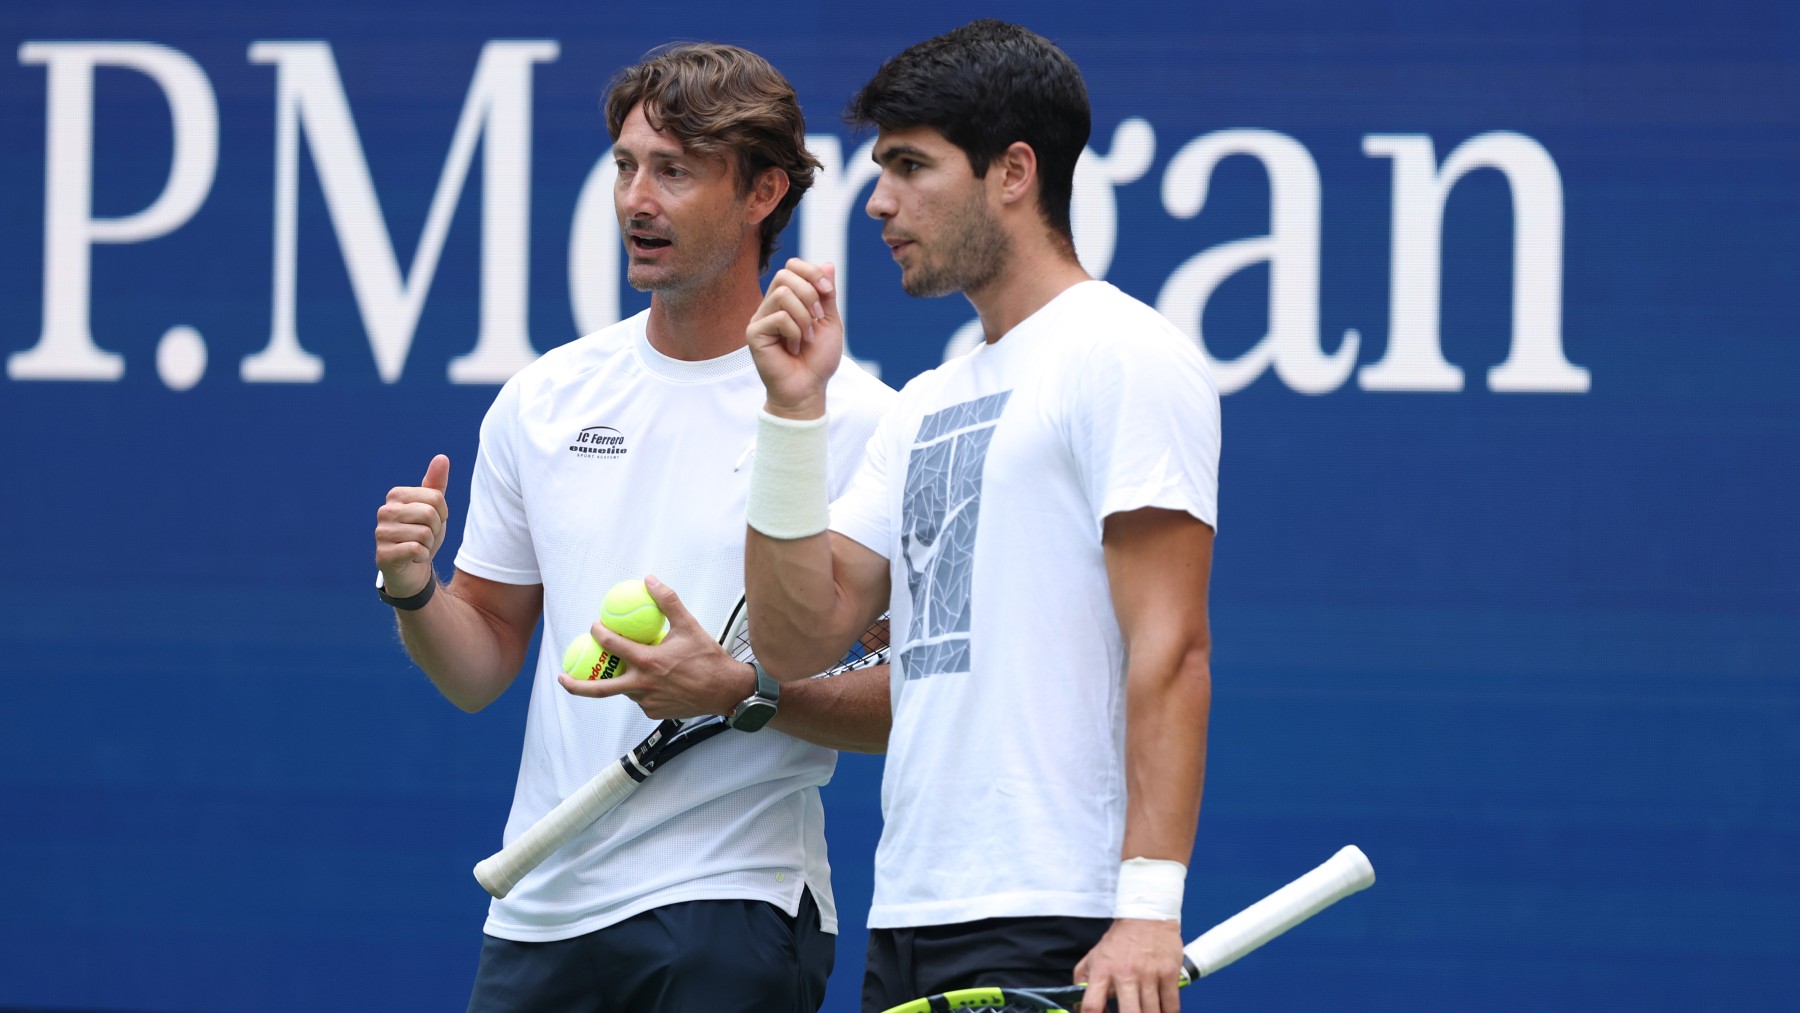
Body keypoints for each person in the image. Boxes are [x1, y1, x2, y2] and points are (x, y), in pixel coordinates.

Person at [372, 43, 894, 1013]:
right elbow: (480, 662)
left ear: (762, 192)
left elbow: (916, 697)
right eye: (625, 165)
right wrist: (415, 591)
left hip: (732, 900)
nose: (636, 199)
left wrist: (742, 691)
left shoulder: (859, 419)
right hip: (539, 907)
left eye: (675, 170)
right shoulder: (543, 399)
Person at [741, 20, 1220, 1013]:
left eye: (911, 166)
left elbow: (1170, 645)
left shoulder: (1124, 353)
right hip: (910, 912)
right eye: (880, 168)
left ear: (1012, 172)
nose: (878, 201)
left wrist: (1146, 904)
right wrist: (793, 413)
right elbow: (794, 635)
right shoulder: (921, 402)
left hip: (1065, 911)